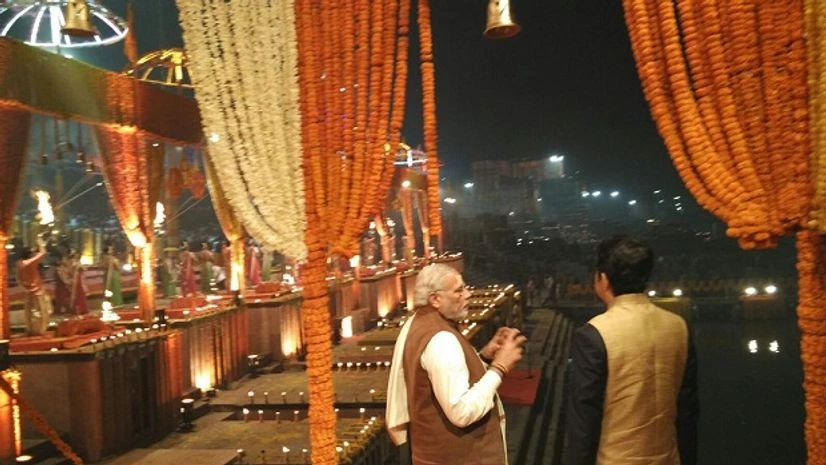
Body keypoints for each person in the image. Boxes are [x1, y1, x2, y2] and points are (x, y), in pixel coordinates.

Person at [563, 235, 698, 465]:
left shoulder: (594, 333)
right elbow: (688, 411)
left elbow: (584, 421)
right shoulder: (678, 326)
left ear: (603, 279)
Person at [386, 263, 526, 465]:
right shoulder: (441, 339)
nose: (468, 295)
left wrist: (485, 358)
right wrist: (499, 368)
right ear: (435, 299)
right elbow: (461, 411)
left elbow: (440, 378)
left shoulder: (416, 323)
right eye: (458, 291)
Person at [15, 238, 53, 336]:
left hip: (27, 291)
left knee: (29, 312)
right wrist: (40, 242)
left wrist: (24, 287)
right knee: (41, 312)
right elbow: (43, 252)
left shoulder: (19, 263)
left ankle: (30, 330)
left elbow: (18, 278)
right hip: (37, 291)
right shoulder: (30, 262)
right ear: (29, 255)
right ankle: (39, 331)